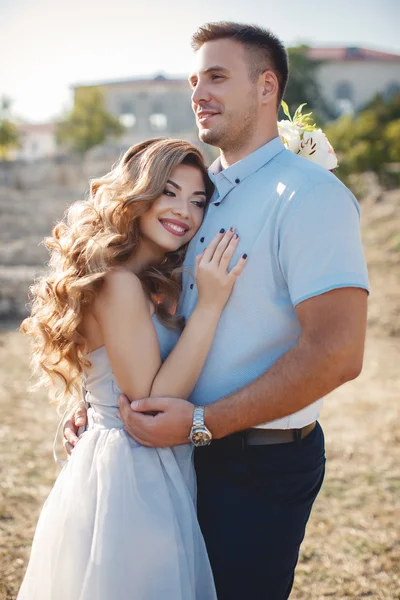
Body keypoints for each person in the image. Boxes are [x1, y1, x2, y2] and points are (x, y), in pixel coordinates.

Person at [64, 22, 370, 600]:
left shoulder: (309, 196)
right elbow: (137, 308)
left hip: (254, 464)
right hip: (172, 458)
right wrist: (99, 404)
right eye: (194, 80)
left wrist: (203, 424)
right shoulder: (202, 193)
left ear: (266, 86)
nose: (199, 92)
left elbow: (337, 354)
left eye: (218, 77)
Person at [18, 137, 248, 600]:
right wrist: (212, 306)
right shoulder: (119, 283)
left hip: (144, 461)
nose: (184, 210)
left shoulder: (146, 282)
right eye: (169, 192)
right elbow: (149, 403)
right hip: (129, 471)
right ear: (137, 195)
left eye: (198, 200)